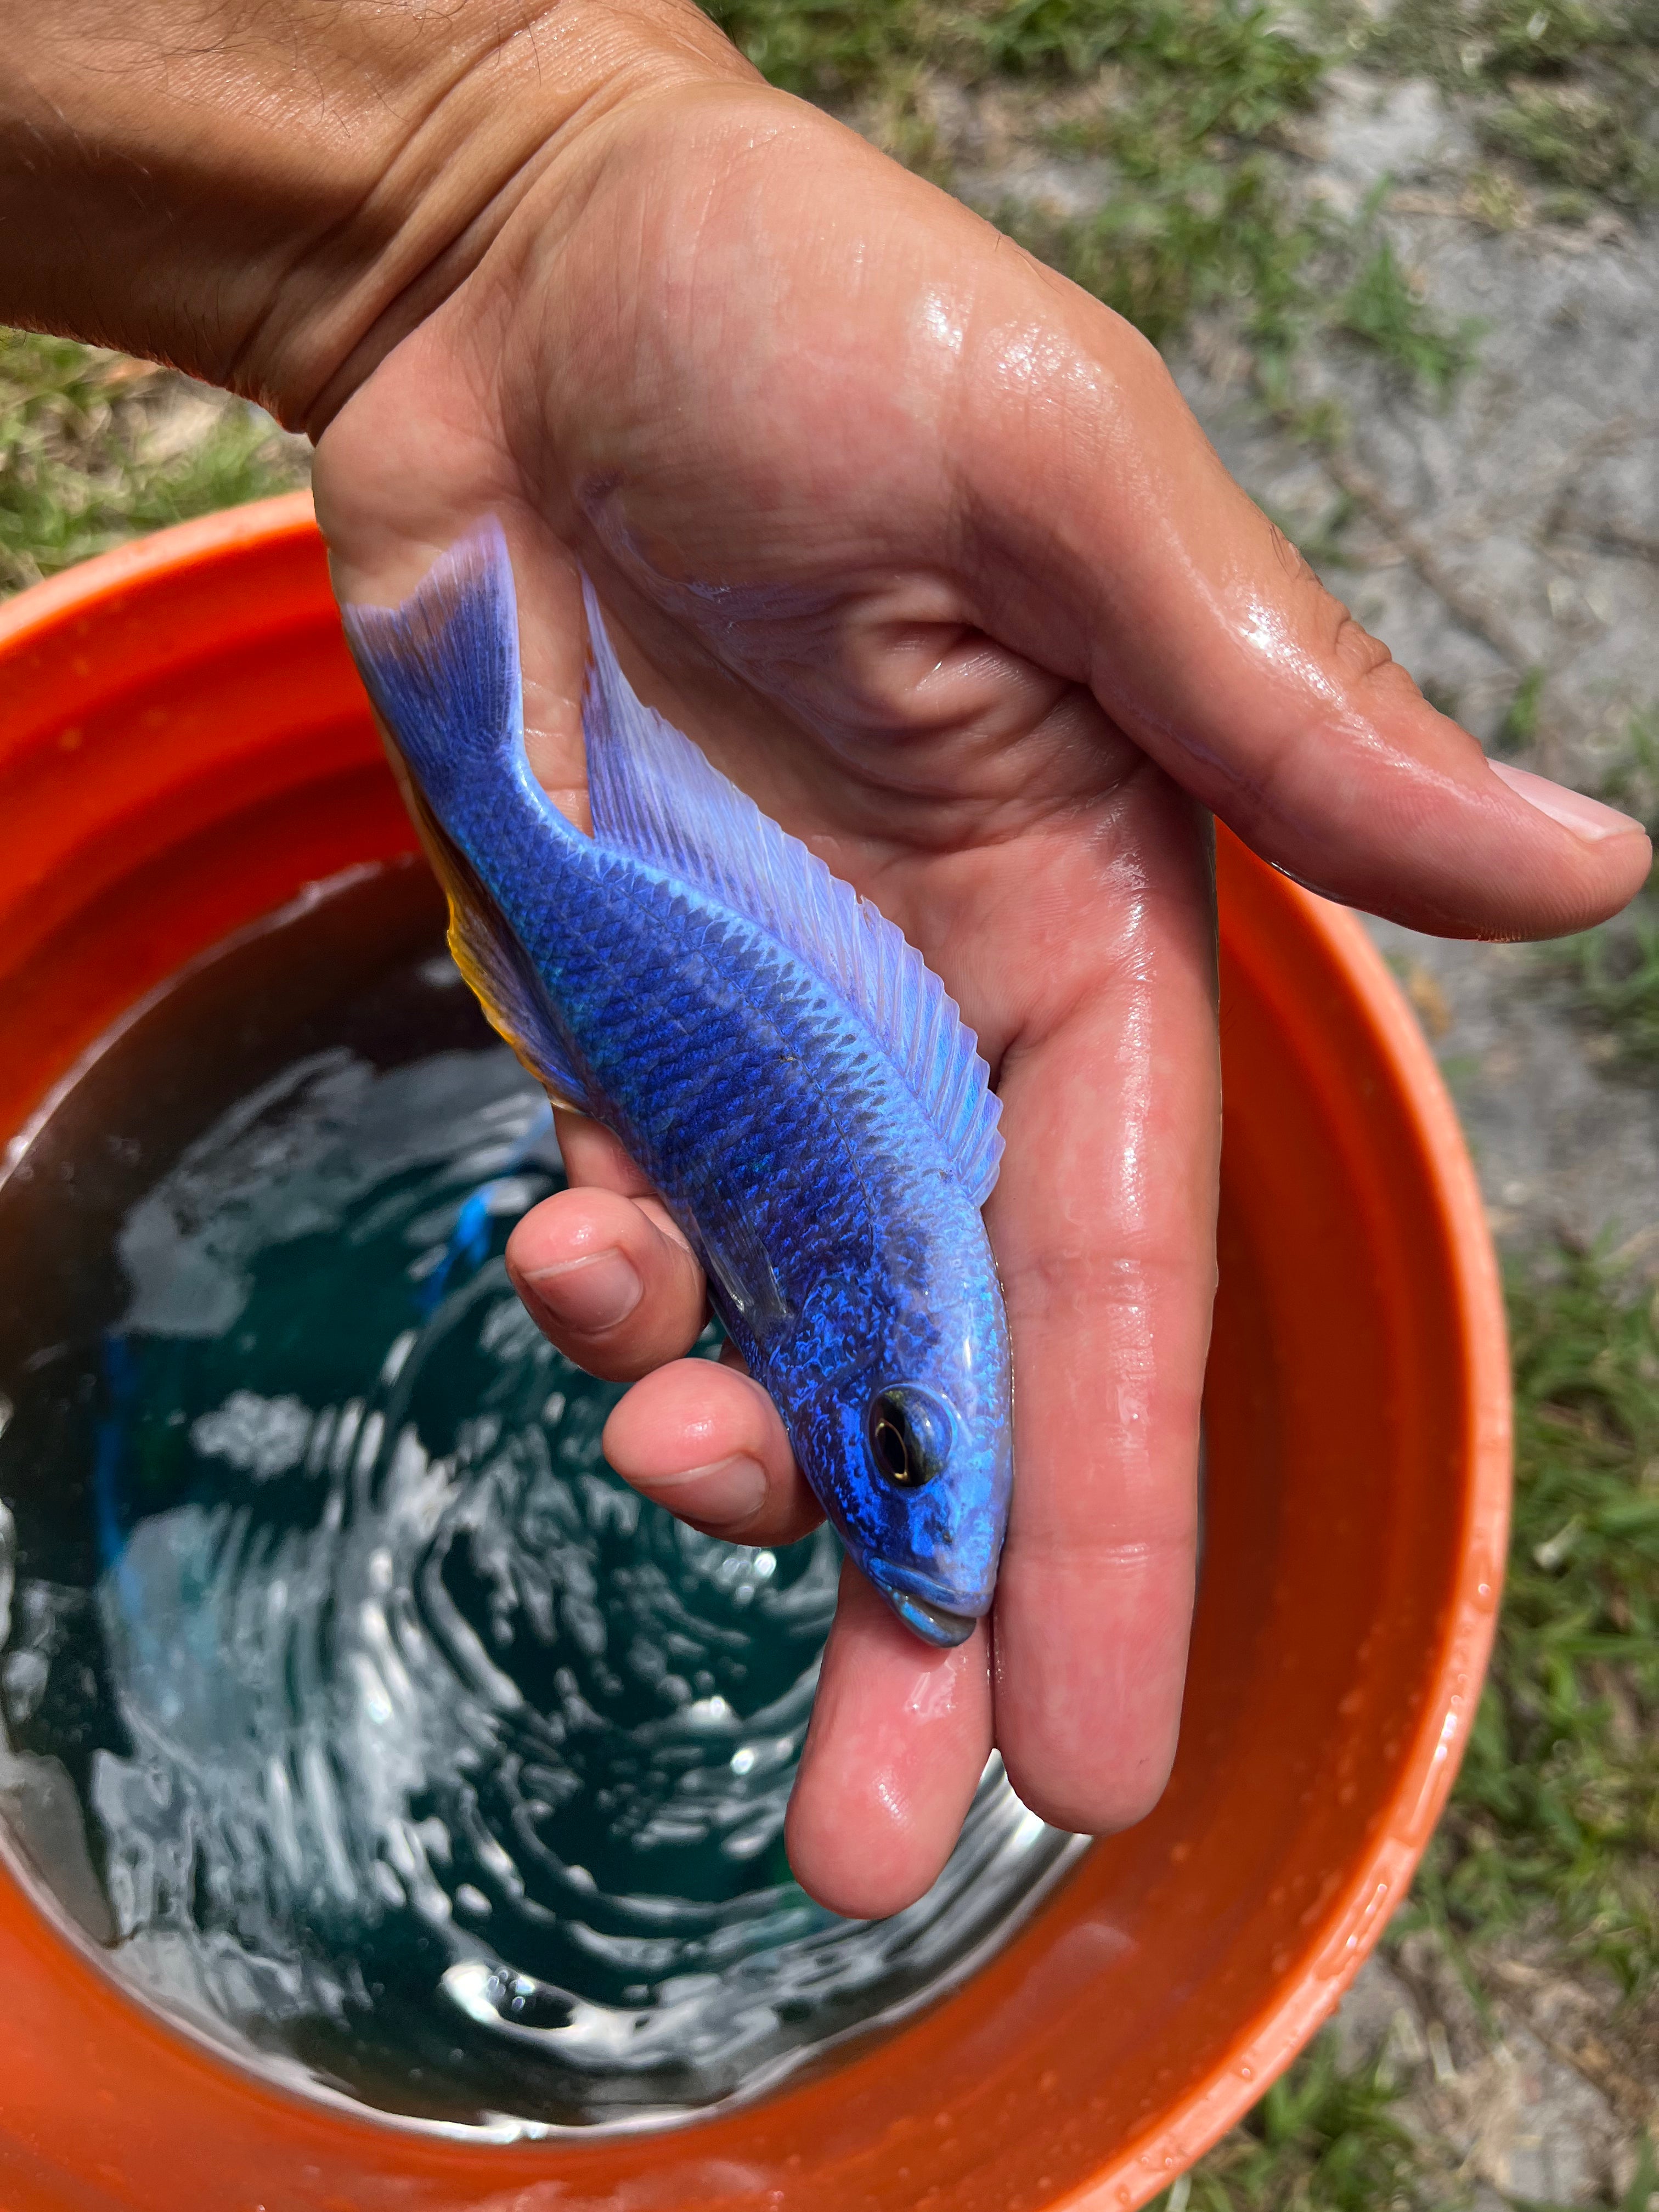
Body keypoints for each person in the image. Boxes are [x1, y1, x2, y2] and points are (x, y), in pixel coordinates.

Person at [4, 0, 1647, 1924]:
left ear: (872, 1333)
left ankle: (501, 753)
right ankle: (500, 748)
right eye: (897, 1446)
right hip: (633, 904)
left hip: (627, 930)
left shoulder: (895, 1239)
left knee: (605, 1208)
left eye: (899, 1439)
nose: (939, 1520)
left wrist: (492, 174)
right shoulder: (921, 1211)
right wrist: (484, 184)